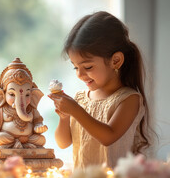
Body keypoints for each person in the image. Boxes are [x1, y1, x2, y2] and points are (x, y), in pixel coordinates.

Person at [49, 11, 154, 169]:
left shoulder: (129, 99)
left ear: (116, 61)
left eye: (88, 67)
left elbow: (108, 136)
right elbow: (63, 143)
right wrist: (64, 118)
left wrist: (75, 110)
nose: (80, 74)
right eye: (75, 67)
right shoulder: (80, 98)